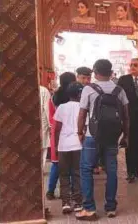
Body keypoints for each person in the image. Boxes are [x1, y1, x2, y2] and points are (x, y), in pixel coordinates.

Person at [77, 59, 129, 220]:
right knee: (111, 170)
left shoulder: (88, 89)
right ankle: (111, 207)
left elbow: (82, 113)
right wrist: (125, 135)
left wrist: (79, 132)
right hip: (112, 136)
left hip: (93, 136)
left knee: (86, 169)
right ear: (111, 72)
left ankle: (89, 209)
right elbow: (126, 116)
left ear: (95, 72)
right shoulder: (119, 90)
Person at [54, 82, 84, 214]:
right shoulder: (83, 108)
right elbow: (84, 127)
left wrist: (55, 145)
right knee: (77, 174)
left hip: (63, 145)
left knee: (64, 174)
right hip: (78, 144)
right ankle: (78, 202)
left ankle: (65, 203)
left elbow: (57, 128)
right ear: (79, 94)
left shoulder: (61, 107)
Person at [46, 72, 76, 200]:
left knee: (56, 163)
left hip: (57, 133)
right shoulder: (74, 99)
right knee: (73, 165)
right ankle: (71, 191)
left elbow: (51, 118)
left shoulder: (54, 98)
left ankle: (50, 191)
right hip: (72, 133)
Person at [40, 85, 51, 169]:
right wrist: (51, 124)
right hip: (41, 122)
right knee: (42, 146)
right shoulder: (43, 90)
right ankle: (41, 169)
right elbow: (47, 109)